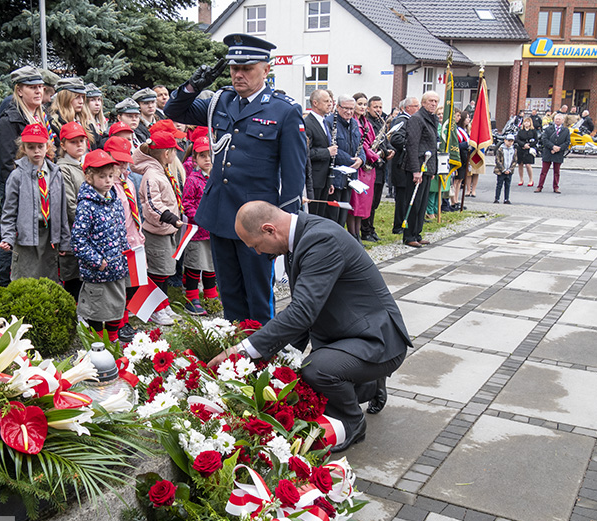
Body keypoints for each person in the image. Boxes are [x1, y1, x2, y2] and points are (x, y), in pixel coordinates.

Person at [208, 201, 411, 452]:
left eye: (256, 245)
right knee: (301, 376)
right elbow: (307, 310)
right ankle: (368, 383)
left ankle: (352, 422)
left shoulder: (321, 240)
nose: (258, 253)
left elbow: (302, 312)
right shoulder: (301, 238)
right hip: (349, 333)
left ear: (269, 230)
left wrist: (242, 351)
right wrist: (282, 357)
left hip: (377, 339)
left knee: (316, 371)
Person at [163, 33, 307, 324]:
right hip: (221, 212)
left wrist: (286, 227)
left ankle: (262, 344)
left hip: (259, 220)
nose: (238, 74)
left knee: (258, 293)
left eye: (247, 68)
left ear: (266, 70)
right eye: (234, 68)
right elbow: (173, 110)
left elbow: (294, 175)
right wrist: (193, 86)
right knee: (229, 291)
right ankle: (235, 345)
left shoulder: (284, 110)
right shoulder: (222, 101)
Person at [0, 66, 49, 287]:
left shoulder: (41, 117)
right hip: (19, 187)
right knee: (14, 234)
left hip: (41, 183)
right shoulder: (9, 120)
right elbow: (7, 163)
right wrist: (23, 191)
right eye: (32, 87)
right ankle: (5, 286)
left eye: (40, 87)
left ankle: (34, 279)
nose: (38, 91)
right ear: (19, 90)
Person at [0, 124, 70, 282]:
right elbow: (9, 211)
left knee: (49, 279)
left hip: (49, 236)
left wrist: (65, 240)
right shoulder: (17, 176)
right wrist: (8, 237)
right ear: (23, 148)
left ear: (47, 146)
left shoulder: (56, 174)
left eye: (40, 146)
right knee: (25, 279)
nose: (36, 151)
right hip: (26, 236)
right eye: (31, 147)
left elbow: (62, 211)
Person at [72, 149, 129, 343]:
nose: (108, 180)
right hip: (98, 270)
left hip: (117, 266)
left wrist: (125, 254)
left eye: (110, 176)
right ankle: (97, 345)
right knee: (97, 310)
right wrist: (97, 261)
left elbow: (121, 230)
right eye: (102, 176)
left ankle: (112, 342)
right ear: (89, 177)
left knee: (115, 307)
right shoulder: (86, 205)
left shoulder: (114, 200)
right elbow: (78, 240)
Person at [135, 131, 185, 326]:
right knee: (158, 272)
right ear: (166, 153)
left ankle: (163, 304)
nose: (176, 154)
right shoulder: (151, 175)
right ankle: (155, 309)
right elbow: (152, 204)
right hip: (158, 231)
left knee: (165, 271)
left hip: (167, 230)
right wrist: (170, 218)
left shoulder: (161, 171)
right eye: (174, 151)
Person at [104, 135, 144, 344]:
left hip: (133, 238)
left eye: (125, 161)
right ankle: (117, 324)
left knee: (132, 284)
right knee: (119, 285)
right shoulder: (108, 186)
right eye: (118, 162)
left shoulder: (128, 181)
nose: (122, 166)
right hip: (118, 241)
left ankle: (125, 319)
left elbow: (134, 208)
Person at [182, 136, 218, 315]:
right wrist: (199, 217)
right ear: (195, 158)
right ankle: (192, 298)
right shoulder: (193, 179)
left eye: (210, 155)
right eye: (202, 156)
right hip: (197, 231)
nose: (207, 159)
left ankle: (211, 296)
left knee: (211, 264)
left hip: (213, 230)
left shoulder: (217, 177)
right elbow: (187, 203)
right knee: (195, 264)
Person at [402, 91, 439, 248]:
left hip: (427, 166)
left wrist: (432, 170)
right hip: (417, 166)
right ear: (423, 103)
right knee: (414, 202)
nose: (433, 104)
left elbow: (432, 145)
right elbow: (412, 145)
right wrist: (415, 170)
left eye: (436, 101)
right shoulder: (417, 119)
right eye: (430, 101)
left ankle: (417, 233)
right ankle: (409, 235)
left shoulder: (433, 118)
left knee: (422, 203)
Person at [57, 121, 89, 301]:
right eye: (73, 142)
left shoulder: (86, 164)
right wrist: (90, 222)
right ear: (63, 145)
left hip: (90, 229)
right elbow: (70, 205)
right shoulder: (63, 169)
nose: (79, 145)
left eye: (81, 141)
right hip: (74, 230)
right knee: (73, 275)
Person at [325, 94, 365, 227]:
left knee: (343, 214)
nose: (349, 112)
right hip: (336, 176)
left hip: (350, 176)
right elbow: (332, 148)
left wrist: (361, 159)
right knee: (333, 215)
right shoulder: (330, 122)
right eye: (345, 108)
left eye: (351, 109)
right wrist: (351, 161)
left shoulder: (354, 123)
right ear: (337, 107)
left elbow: (360, 145)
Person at [347, 93, 379, 242]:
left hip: (368, 167)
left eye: (365, 104)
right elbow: (362, 144)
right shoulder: (353, 122)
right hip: (359, 166)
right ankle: (353, 235)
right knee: (355, 202)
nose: (362, 107)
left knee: (364, 204)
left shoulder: (366, 122)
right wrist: (374, 156)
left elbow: (372, 141)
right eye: (360, 104)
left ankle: (358, 234)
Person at [362, 95, 394, 241]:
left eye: (380, 107)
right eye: (375, 107)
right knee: (368, 201)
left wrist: (390, 149)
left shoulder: (381, 122)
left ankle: (371, 227)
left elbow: (385, 141)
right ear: (368, 108)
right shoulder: (367, 123)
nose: (378, 110)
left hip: (381, 166)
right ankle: (365, 230)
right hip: (371, 165)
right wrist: (383, 152)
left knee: (375, 202)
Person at [304, 89, 337, 219]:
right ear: (315, 103)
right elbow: (307, 153)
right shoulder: (308, 123)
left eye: (330, 101)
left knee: (321, 216)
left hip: (325, 178)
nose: (330, 104)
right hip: (314, 179)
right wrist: (327, 152)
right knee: (313, 215)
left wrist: (330, 181)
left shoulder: (325, 122)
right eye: (326, 101)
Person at [389, 97, 419, 234]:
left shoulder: (411, 120)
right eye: (416, 106)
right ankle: (398, 225)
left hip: (406, 164)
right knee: (401, 197)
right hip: (401, 165)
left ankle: (405, 222)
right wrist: (411, 146)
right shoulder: (402, 120)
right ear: (408, 108)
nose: (418, 108)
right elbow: (396, 139)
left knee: (407, 196)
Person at [49, 77, 96, 152]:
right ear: (65, 99)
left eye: (82, 97)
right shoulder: (54, 123)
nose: (81, 101)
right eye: (77, 97)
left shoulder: (86, 122)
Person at [535, 113, 570, 194]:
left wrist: (559, 148)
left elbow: (567, 142)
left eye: (559, 119)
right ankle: (540, 186)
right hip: (548, 152)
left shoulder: (566, 130)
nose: (557, 120)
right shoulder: (548, 129)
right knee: (544, 171)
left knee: (557, 172)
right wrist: (552, 147)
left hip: (558, 153)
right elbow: (544, 139)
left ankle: (556, 187)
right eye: (556, 119)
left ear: (562, 121)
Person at [451, 110, 471, 210]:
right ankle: (453, 201)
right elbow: (454, 145)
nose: (458, 118)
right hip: (457, 156)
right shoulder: (453, 129)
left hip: (463, 157)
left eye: (459, 116)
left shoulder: (462, 130)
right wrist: (466, 144)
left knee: (460, 180)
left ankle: (456, 200)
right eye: (457, 115)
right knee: (455, 180)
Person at [494, 134, 516, 204]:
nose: (510, 143)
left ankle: (506, 199)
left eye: (512, 141)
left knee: (507, 185)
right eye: (509, 141)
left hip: (509, 171)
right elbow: (497, 160)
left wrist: (510, 169)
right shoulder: (500, 149)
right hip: (501, 171)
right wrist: (503, 169)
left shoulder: (513, 150)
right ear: (505, 140)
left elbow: (514, 161)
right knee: (499, 185)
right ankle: (497, 198)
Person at [515, 117, 538, 187]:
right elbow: (517, 139)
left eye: (528, 122)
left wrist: (529, 145)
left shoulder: (533, 131)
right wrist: (523, 145)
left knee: (528, 165)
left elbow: (536, 140)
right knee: (520, 164)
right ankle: (521, 179)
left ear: (530, 123)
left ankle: (531, 180)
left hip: (529, 149)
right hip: (521, 148)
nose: (526, 123)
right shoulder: (520, 131)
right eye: (525, 122)